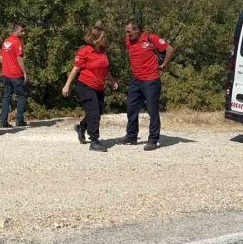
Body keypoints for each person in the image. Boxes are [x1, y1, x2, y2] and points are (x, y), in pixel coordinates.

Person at [121, 18, 176, 151]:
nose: (127, 35)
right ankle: (131, 136)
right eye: (126, 32)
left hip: (151, 80)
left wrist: (164, 64)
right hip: (136, 80)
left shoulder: (151, 38)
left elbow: (170, 49)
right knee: (131, 109)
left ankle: (153, 139)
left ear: (137, 30)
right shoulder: (128, 41)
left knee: (152, 111)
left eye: (129, 32)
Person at [62, 24, 117, 152]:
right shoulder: (85, 51)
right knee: (94, 112)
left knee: (96, 111)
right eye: (104, 37)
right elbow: (75, 70)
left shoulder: (102, 51)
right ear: (96, 39)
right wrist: (67, 85)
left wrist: (112, 80)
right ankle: (94, 141)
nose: (106, 38)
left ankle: (81, 127)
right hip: (85, 86)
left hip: (99, 86)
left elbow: (105, 68)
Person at [0, 23, 28, 128]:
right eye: (22, 31)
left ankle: (3, 121)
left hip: (6, 74)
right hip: (16, 74)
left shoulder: (6, 41)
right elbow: (19, 58)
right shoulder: (17, 42)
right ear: (15, 31)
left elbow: (1, 58)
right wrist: (25, 73)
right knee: (22, 96)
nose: (24, 33)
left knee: (6, 97)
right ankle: (19, 120)